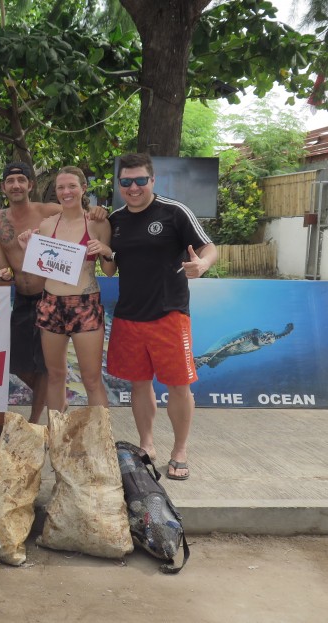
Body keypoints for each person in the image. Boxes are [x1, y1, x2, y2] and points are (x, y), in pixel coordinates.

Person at [104, 152, 218, 481]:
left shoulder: (174, 212)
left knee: (179, 386)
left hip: (170, 315)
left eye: (141, 180)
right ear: (119, 184)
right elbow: (110, 266)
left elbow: (209, 248)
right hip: (128, 315)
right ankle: (147, 445)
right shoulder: (116, 220)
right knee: (139, 385)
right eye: (126, 182)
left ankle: (180, 450)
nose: (134, 187)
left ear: (153, 180)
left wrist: (203, 265)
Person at [0, 162, 106, 424]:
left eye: (22, 180)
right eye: (10, 181)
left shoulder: (50, 212)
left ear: (30, 185)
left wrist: (100, 211)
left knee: (53, 370)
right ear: (3, 187)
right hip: (24, 300)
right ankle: (52, 411)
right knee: (20, 363)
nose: (16, 185)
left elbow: (80, 211)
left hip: (54, 296)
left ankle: (37, 421)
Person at [16, 166, 112, 415]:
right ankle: (57, 437)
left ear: (83, 188)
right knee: (55, 376)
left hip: (85, 305)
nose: (66, 192)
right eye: (61, 187)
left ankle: (100, 444)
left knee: (91, 380)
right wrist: (28, 249)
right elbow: (41, 270)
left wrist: (105, 250)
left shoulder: (98, 223)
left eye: (71, 186)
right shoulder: (47, 226)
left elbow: (110, 270)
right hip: (51, 304)